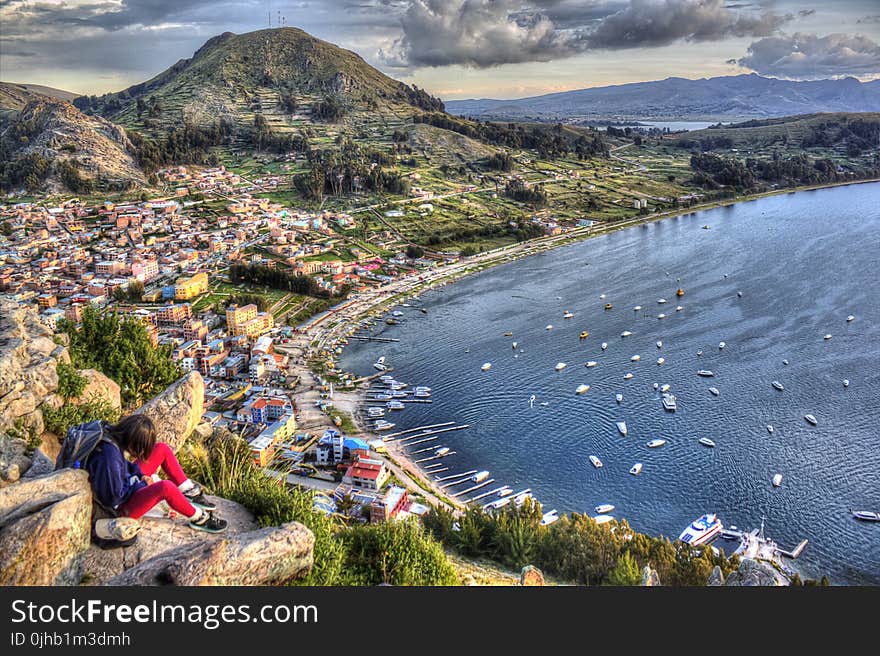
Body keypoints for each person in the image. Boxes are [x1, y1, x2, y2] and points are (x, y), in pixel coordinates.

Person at [86, 414, 227, 533]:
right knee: (165, 487)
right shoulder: (109, 456)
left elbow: (123, 466)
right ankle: (199, 518)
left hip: (125, 485)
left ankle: (189, 491)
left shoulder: (112, 439)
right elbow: (113, 498)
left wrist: (140, 476)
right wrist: (141, 484)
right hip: (117, 511)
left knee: (161, 449)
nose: (140, 453)